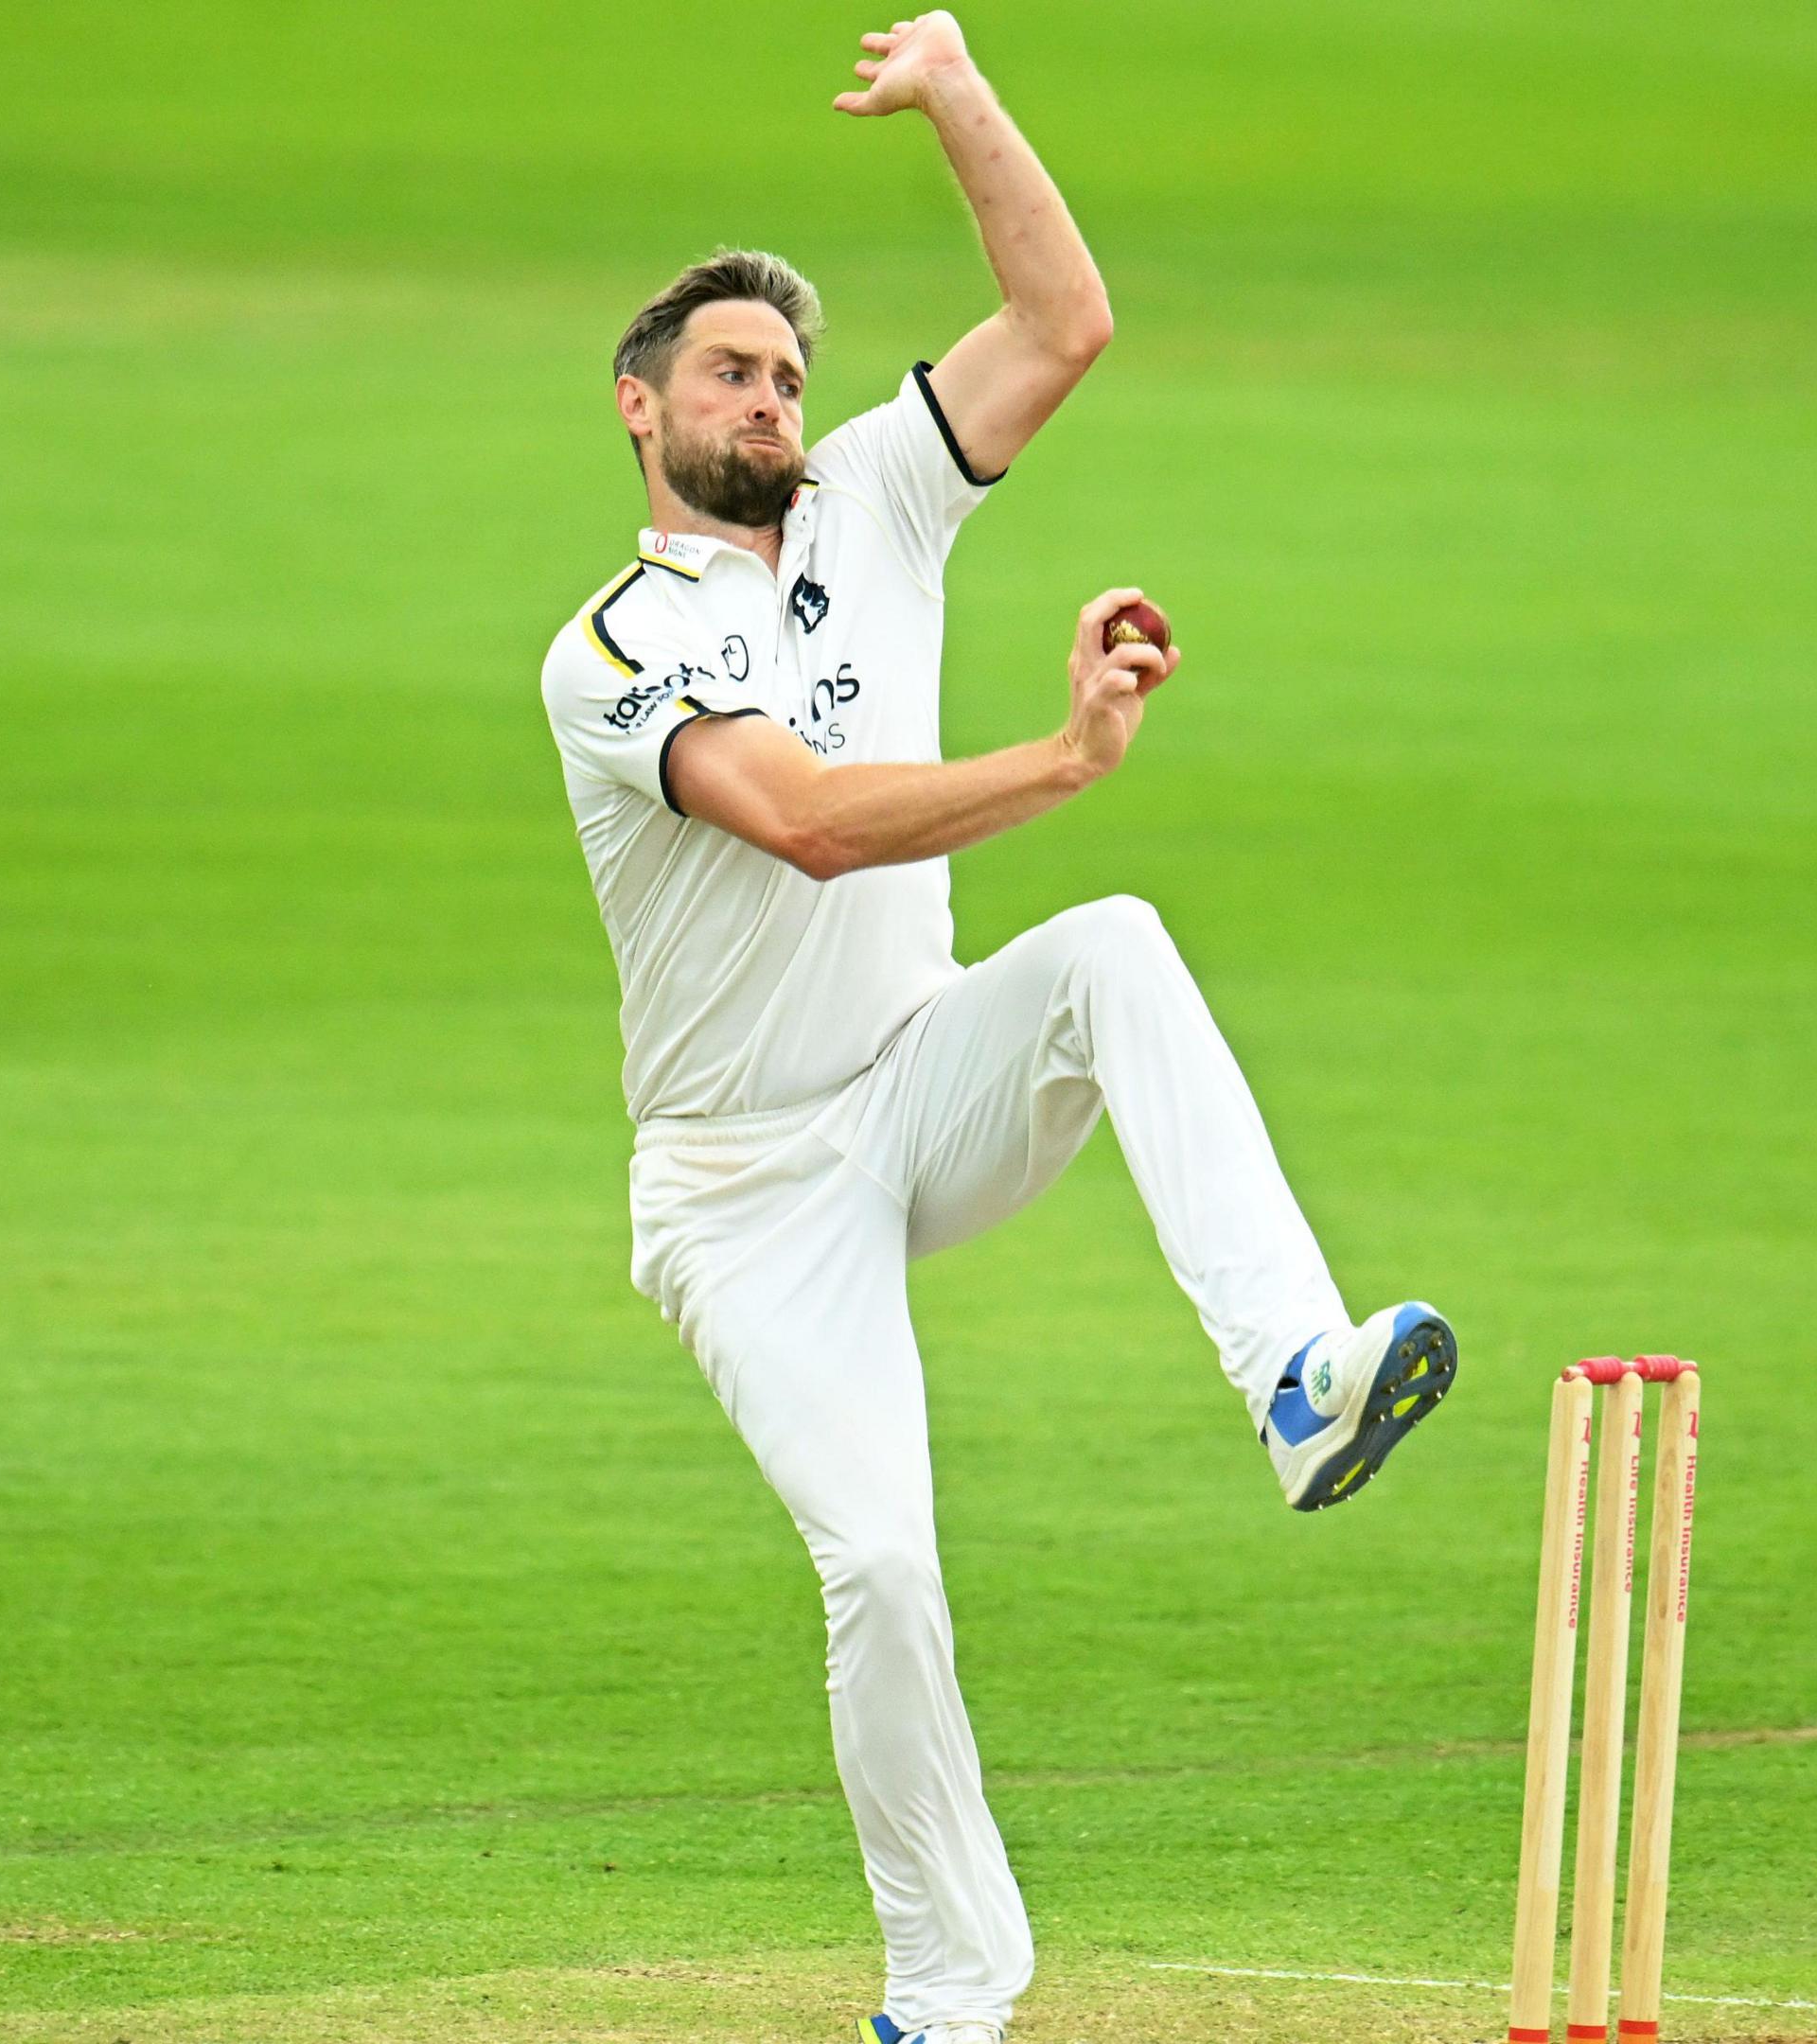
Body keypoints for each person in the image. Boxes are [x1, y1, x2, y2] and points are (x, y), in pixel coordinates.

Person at [533, 16, 1456, 2042]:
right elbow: (794, 823)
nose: (772, 396)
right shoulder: (616, 650)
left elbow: (1063, 315)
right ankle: (952, 1985)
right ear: (639, 407)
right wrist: (1057, 758)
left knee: (1115, 946)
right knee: (883, 1569)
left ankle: (1297, 1371)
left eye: (786, 369)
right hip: (746, 1186)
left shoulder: (877, 496)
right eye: (729, 369)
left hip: (918, 1081)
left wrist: (955, 89)